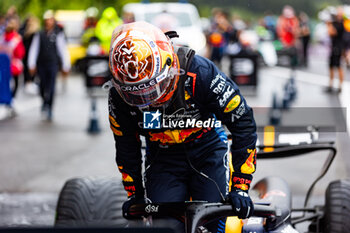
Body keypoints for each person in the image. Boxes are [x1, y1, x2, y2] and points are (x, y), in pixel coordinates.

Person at [107, 21, 257, 232]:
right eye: (136, 93)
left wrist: (241, 186)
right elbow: (125, 144)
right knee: (164, 225)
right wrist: (135, 194)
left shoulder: (200, 73)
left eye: (151, 89)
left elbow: (243, 121)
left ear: (169, 66)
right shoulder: (117, 96)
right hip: (163, 156)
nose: (147, 99)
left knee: (214, 222)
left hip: (207, 148)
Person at [28, 10, 71, 121]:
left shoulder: (58, 34)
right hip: (41, 63)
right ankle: (44, 101)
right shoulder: (40, 34)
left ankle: (50, 107)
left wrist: (66, 65)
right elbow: (34, 49)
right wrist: (31, 64)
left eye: (50, 20)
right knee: (42, 85)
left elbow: (63, 50)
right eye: (47, 20)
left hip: (52, 63)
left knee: (51, 86)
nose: (49, 22)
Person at [0, 17, 25, 99]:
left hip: (3, 63)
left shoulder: (2, 37)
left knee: (5, 82)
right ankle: (11, 98)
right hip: (14, 63)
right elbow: (20, 53)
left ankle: (6, 96)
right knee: (15, 82)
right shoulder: (17, 38)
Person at [19, 15, 40, 94]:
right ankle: (27, 82)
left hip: (31, 53)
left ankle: (30, 82)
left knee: (31, 68)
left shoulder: (35, 32)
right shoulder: (24, 30)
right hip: (25, 53)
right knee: (27, 68)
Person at [326, 7, 345, 93]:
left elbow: (332, 32)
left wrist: (329, 24)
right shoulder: (335, 22)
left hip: (338, 47)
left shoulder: (341, 24)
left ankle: (340, 85)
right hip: (333, 47)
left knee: (338, 66)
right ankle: (331, 84)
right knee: (331, 66)